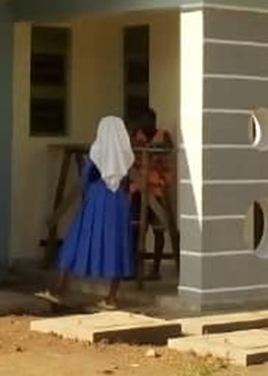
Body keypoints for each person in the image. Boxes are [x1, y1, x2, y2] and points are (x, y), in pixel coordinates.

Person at [40, 116, 135, 310]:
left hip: (96, 201)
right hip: (118, 204)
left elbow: (85, 178)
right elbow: (126, 181)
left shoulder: (97, 152)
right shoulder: (126, 155)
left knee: (76, 241)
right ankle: (111, 298)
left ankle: (60, 289)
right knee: (115, 246)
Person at [129, 106, 174, 280]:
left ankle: (155, 270)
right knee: (136, 229)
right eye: (142, 121)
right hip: (138, 188)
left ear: (153, 121)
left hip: (157, 189)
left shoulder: (163, 134)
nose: (144, 124)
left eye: (147, 120)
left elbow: (168, 148)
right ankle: (135, 268)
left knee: (158, 230)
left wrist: (154, 146)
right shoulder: (135, 135)